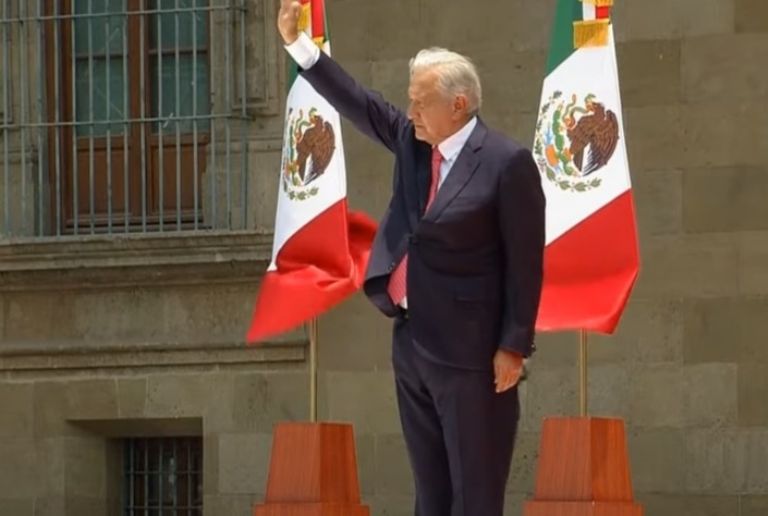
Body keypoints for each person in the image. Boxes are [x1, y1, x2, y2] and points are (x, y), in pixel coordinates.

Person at [277, 1, 545, 514]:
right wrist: (299, 46)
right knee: (431, 494)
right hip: (412, 343)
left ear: (458, 105)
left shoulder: (506, 164)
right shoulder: (413, 142)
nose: (412, 112)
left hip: (472, 355)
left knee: (474, 495)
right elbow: (360, 103)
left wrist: (513, 346)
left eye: (421, 103)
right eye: (411, 102)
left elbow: (526, 262)